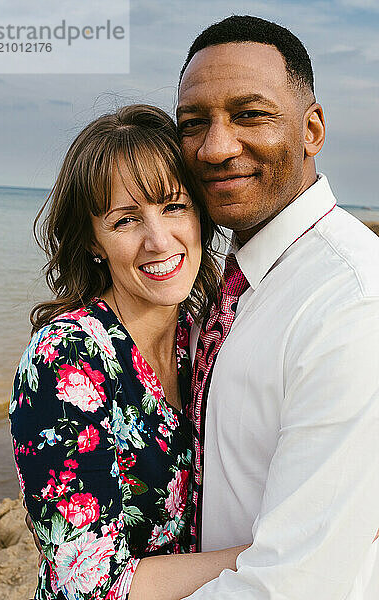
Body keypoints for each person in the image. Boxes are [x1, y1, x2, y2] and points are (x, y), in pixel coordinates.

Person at [10, 104, 250, 600]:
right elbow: (92, 585)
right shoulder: (65, 360)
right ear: (93, 241)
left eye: (174, 206)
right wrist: (284, 551)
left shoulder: (204, 335)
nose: (159, 240)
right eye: (125, 221)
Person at [176, 15, 379, 600]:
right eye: (194, 123)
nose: (215, 147)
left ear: (312, 129)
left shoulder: (351, 303)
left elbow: (293, 585)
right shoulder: (225, 283)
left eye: (250, 114)